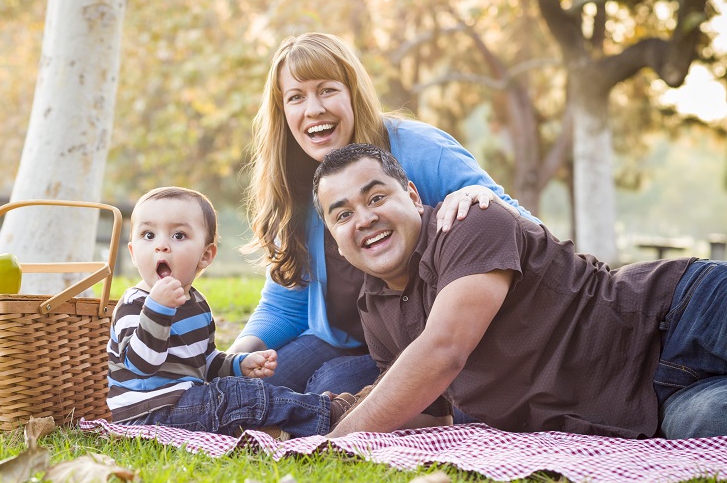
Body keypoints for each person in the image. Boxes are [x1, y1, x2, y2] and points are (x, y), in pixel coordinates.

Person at [313, 142, 727, 439]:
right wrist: (328, 413)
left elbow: (443, 350)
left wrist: (333, 444)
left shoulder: (469, 222)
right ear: (335, 239)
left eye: (377, 197)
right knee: (713, 423)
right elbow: (426, 412)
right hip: (648, 404)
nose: (364, 219)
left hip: (676, 314)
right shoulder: (374, 307)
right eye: (344, 214)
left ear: (414, 196)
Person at [229, 31, 539, 398]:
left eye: (327, 90)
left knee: (328, 385)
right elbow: (286, 303)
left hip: (426, 341)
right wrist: (231, 359)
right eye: (296, 97)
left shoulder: (423, 151)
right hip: (341, 340)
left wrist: (482, 196)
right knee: (237, 389)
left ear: (352, 93)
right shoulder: (295, 183)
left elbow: (527, 231)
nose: (313, 109)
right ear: (284, 112)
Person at [107, 186, 357, 437]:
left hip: (187, 404)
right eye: (148, 235)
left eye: (179, 236)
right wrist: (158, 308)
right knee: (239, 397)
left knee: (241, 390)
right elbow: (141, 365)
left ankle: (289, 424)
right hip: (148, 414)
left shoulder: (196, 304)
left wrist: (240, 364)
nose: (161, 246)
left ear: (205, 256)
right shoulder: (135, 305)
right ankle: (329, 413)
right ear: (133, 254)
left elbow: (205, 361)